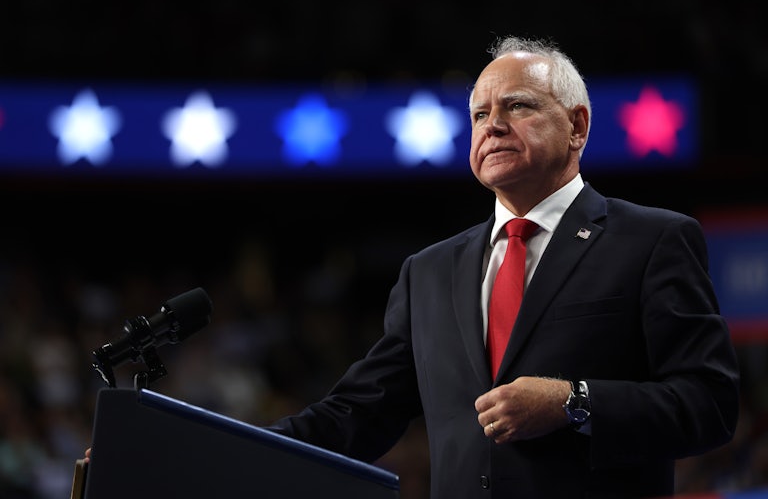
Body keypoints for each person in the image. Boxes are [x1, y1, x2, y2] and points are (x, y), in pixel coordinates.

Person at [85, 36, 740, 498]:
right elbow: (354, 414)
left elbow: (709, 404)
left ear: (577, 126)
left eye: (517, 106)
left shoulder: (651, 241)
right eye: (480, 113)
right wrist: (200, 455)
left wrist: (575, 402)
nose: (493, 124)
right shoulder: (431, 272)